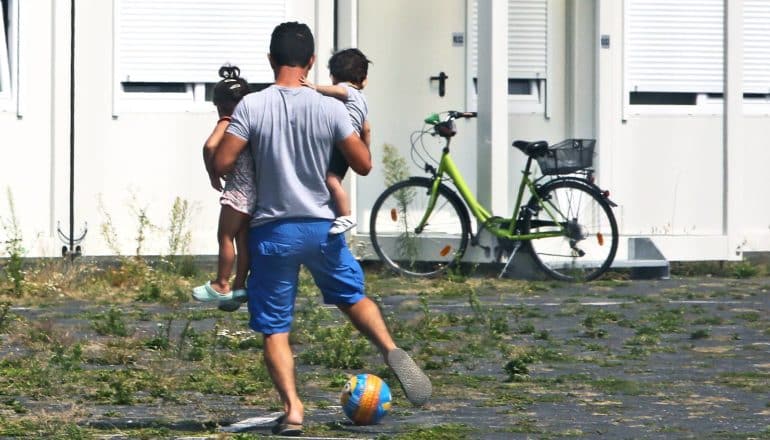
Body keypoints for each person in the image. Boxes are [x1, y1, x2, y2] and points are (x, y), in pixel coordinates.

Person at [213, 22, 432, 436]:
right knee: (352, 297)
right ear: (311, 61)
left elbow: (223, 163)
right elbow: (363, 165)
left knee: (275, 327)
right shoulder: (331, 107)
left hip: (272, 232)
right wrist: (364, 132)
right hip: (322, 228)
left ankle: (293, 411)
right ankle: (389, 349)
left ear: (270, 60)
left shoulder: (252, 106)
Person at [192, 66, 253, 308]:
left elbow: (210, 146)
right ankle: (239, 286)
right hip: (254, 192)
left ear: (219, 104)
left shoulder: (228, 121)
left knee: (225, 236)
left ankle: (221, 283)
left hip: (237, 191)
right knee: (243, 240)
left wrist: (212, 173)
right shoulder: (251, 123)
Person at [300, 48, 372, 235]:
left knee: (331, 180)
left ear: (333, 77)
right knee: (334, 178)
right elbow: (367, 128)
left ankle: (345, 216)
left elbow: (339, 90)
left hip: (342, 143)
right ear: (364, 79)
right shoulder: (362, 99)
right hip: (353, 145)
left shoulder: (346, 90)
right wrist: (364, 148)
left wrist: (313, 86)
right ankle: (341, 214)